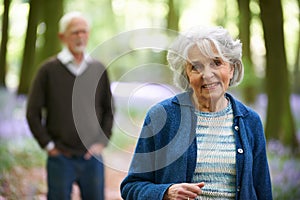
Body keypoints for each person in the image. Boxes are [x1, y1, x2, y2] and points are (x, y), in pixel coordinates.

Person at [120, 26, 272, 200]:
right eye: (196, 67)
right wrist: (166, 193)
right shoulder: (162, 116)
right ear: (186, 74)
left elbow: (263, 190)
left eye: (217, 62)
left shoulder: (250, 121)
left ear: (231, 68)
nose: (207, 74)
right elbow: (131, 187)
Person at [26, 11, 114, 200]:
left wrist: (101, 142)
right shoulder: (47, 70)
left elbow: (109, 109)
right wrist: (49, 146)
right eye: (75, 32)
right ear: (62, 36)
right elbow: (32, 113)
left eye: (84, 31)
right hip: (60, 158)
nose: (80, 36)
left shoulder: (99, 69)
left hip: (92, 158)